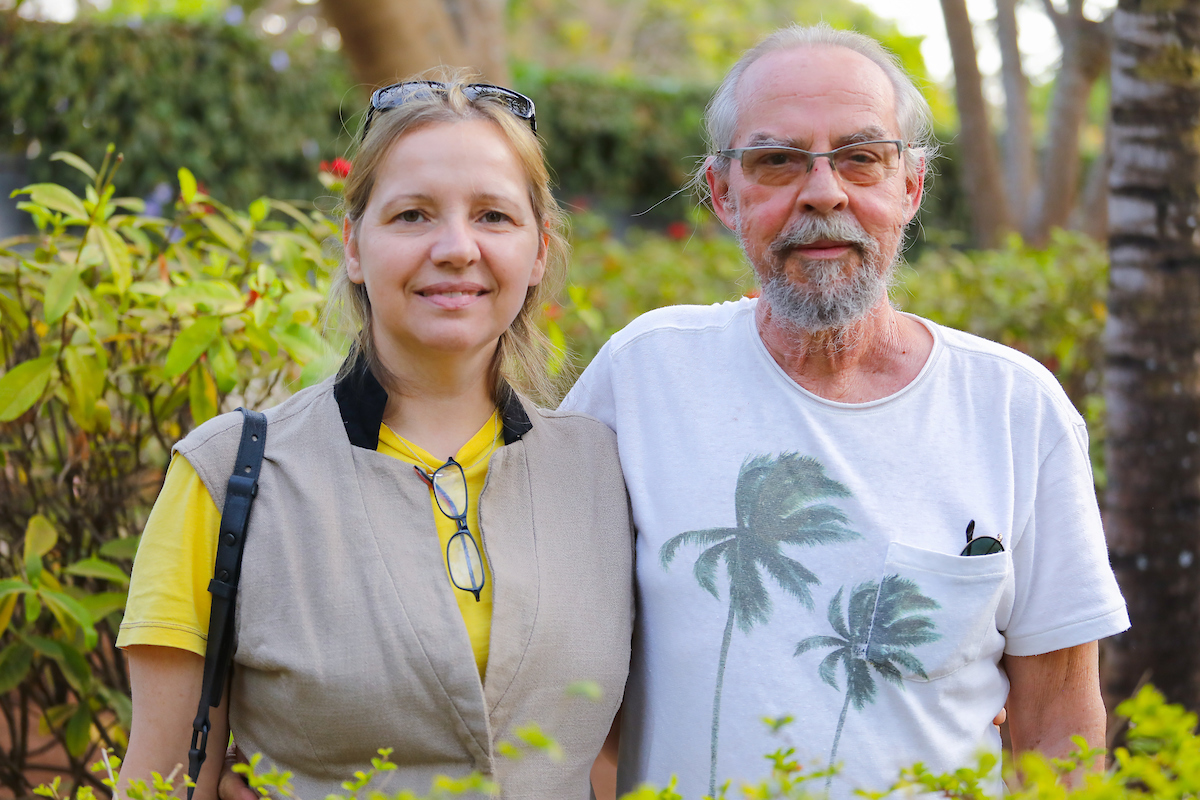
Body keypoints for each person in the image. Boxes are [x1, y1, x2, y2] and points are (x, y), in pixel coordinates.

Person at [559, 24, 1129, 799]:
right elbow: (555, 661)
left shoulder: (1016, 410)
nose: (824, 192)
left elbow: (1058, 717)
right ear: (723, 193)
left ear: (911, 188)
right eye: (777, 161)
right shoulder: (642, 375)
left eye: (862, 157)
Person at [117, 75, 633, 800]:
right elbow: (164, 780)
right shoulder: (228, 474)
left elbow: (614, 762)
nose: (456, 248)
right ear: (354, 245)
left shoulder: (604, 472)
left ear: (538, 251)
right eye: (413, 215)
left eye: (493, 215)